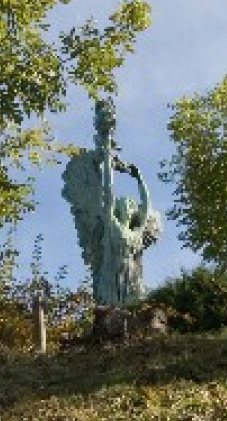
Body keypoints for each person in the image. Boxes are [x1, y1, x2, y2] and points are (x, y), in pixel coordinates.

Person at [61, 99, 159, 307]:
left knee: (135, 307)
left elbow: (147, 205)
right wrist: (106, 157)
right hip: (110, 278)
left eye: (130, 206)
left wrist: (139, 177)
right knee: (112, 308)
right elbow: (107, 191)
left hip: (131, 278)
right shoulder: (111, 225)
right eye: (125, 205)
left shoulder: (136, 234)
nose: (129, 207)